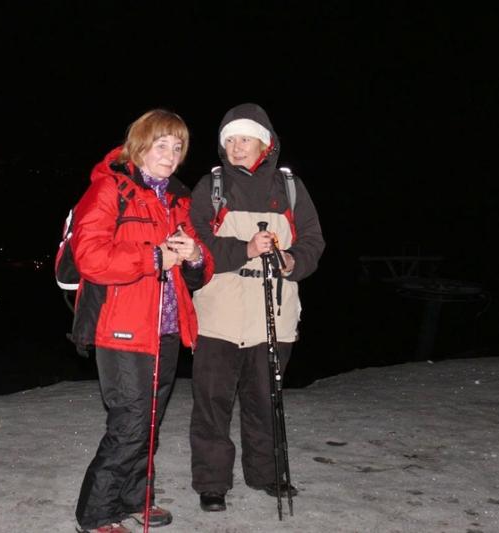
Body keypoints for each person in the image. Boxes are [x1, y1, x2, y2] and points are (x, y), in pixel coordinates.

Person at [71, 109, 212, 533]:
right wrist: (152, 258)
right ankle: (96, 514)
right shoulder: (109, 189)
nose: (170, 154)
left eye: (177, 146)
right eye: (161, 144)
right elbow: (90, 257)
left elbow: (199, 270)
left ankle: (135, 499)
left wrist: (195, 256)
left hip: (165, 328)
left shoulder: (177, 200)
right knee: (130, 424)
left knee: (149, 422)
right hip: (122, 327)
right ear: (139, 146)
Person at [188, 103, 325, 512]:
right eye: (229, 140)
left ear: (265, 143)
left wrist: (291, 261)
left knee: (265, 399)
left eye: (244, 138)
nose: (236, 147)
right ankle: (212, 483)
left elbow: (313, 240)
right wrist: (244, 249)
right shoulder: (210, 187)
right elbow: (196, 243)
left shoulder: (290, 187)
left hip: (275, 313)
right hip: (218, 314)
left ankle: (266, 473)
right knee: (212, 402)